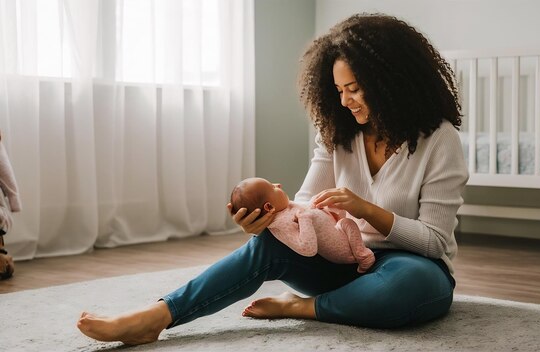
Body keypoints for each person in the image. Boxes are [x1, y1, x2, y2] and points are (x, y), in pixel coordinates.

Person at [76, 13, 468, 345]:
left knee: (411, 287)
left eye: (354, 89)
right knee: (266, 245)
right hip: (339, 261)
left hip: (407, 266)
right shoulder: (337, 131)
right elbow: (305, 204)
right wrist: (271, 220)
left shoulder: (440, 139)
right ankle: (158, 316)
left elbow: (434, 242)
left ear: (391, 82)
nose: (345, 101)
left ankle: (301, 307)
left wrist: (368, 210)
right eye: (338, 91)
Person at [230, 177, 375, 273]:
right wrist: (305, 218)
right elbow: (308, 249)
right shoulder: (281, 224)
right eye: (273, 188)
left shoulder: (286, 207)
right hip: (343, 252)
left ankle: (361, 253)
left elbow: (306, 207)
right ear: (269, 207)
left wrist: (315, 202)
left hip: (339, 232)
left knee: (345, 221)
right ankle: (363, 256)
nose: (278, 185)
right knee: (348, 223)